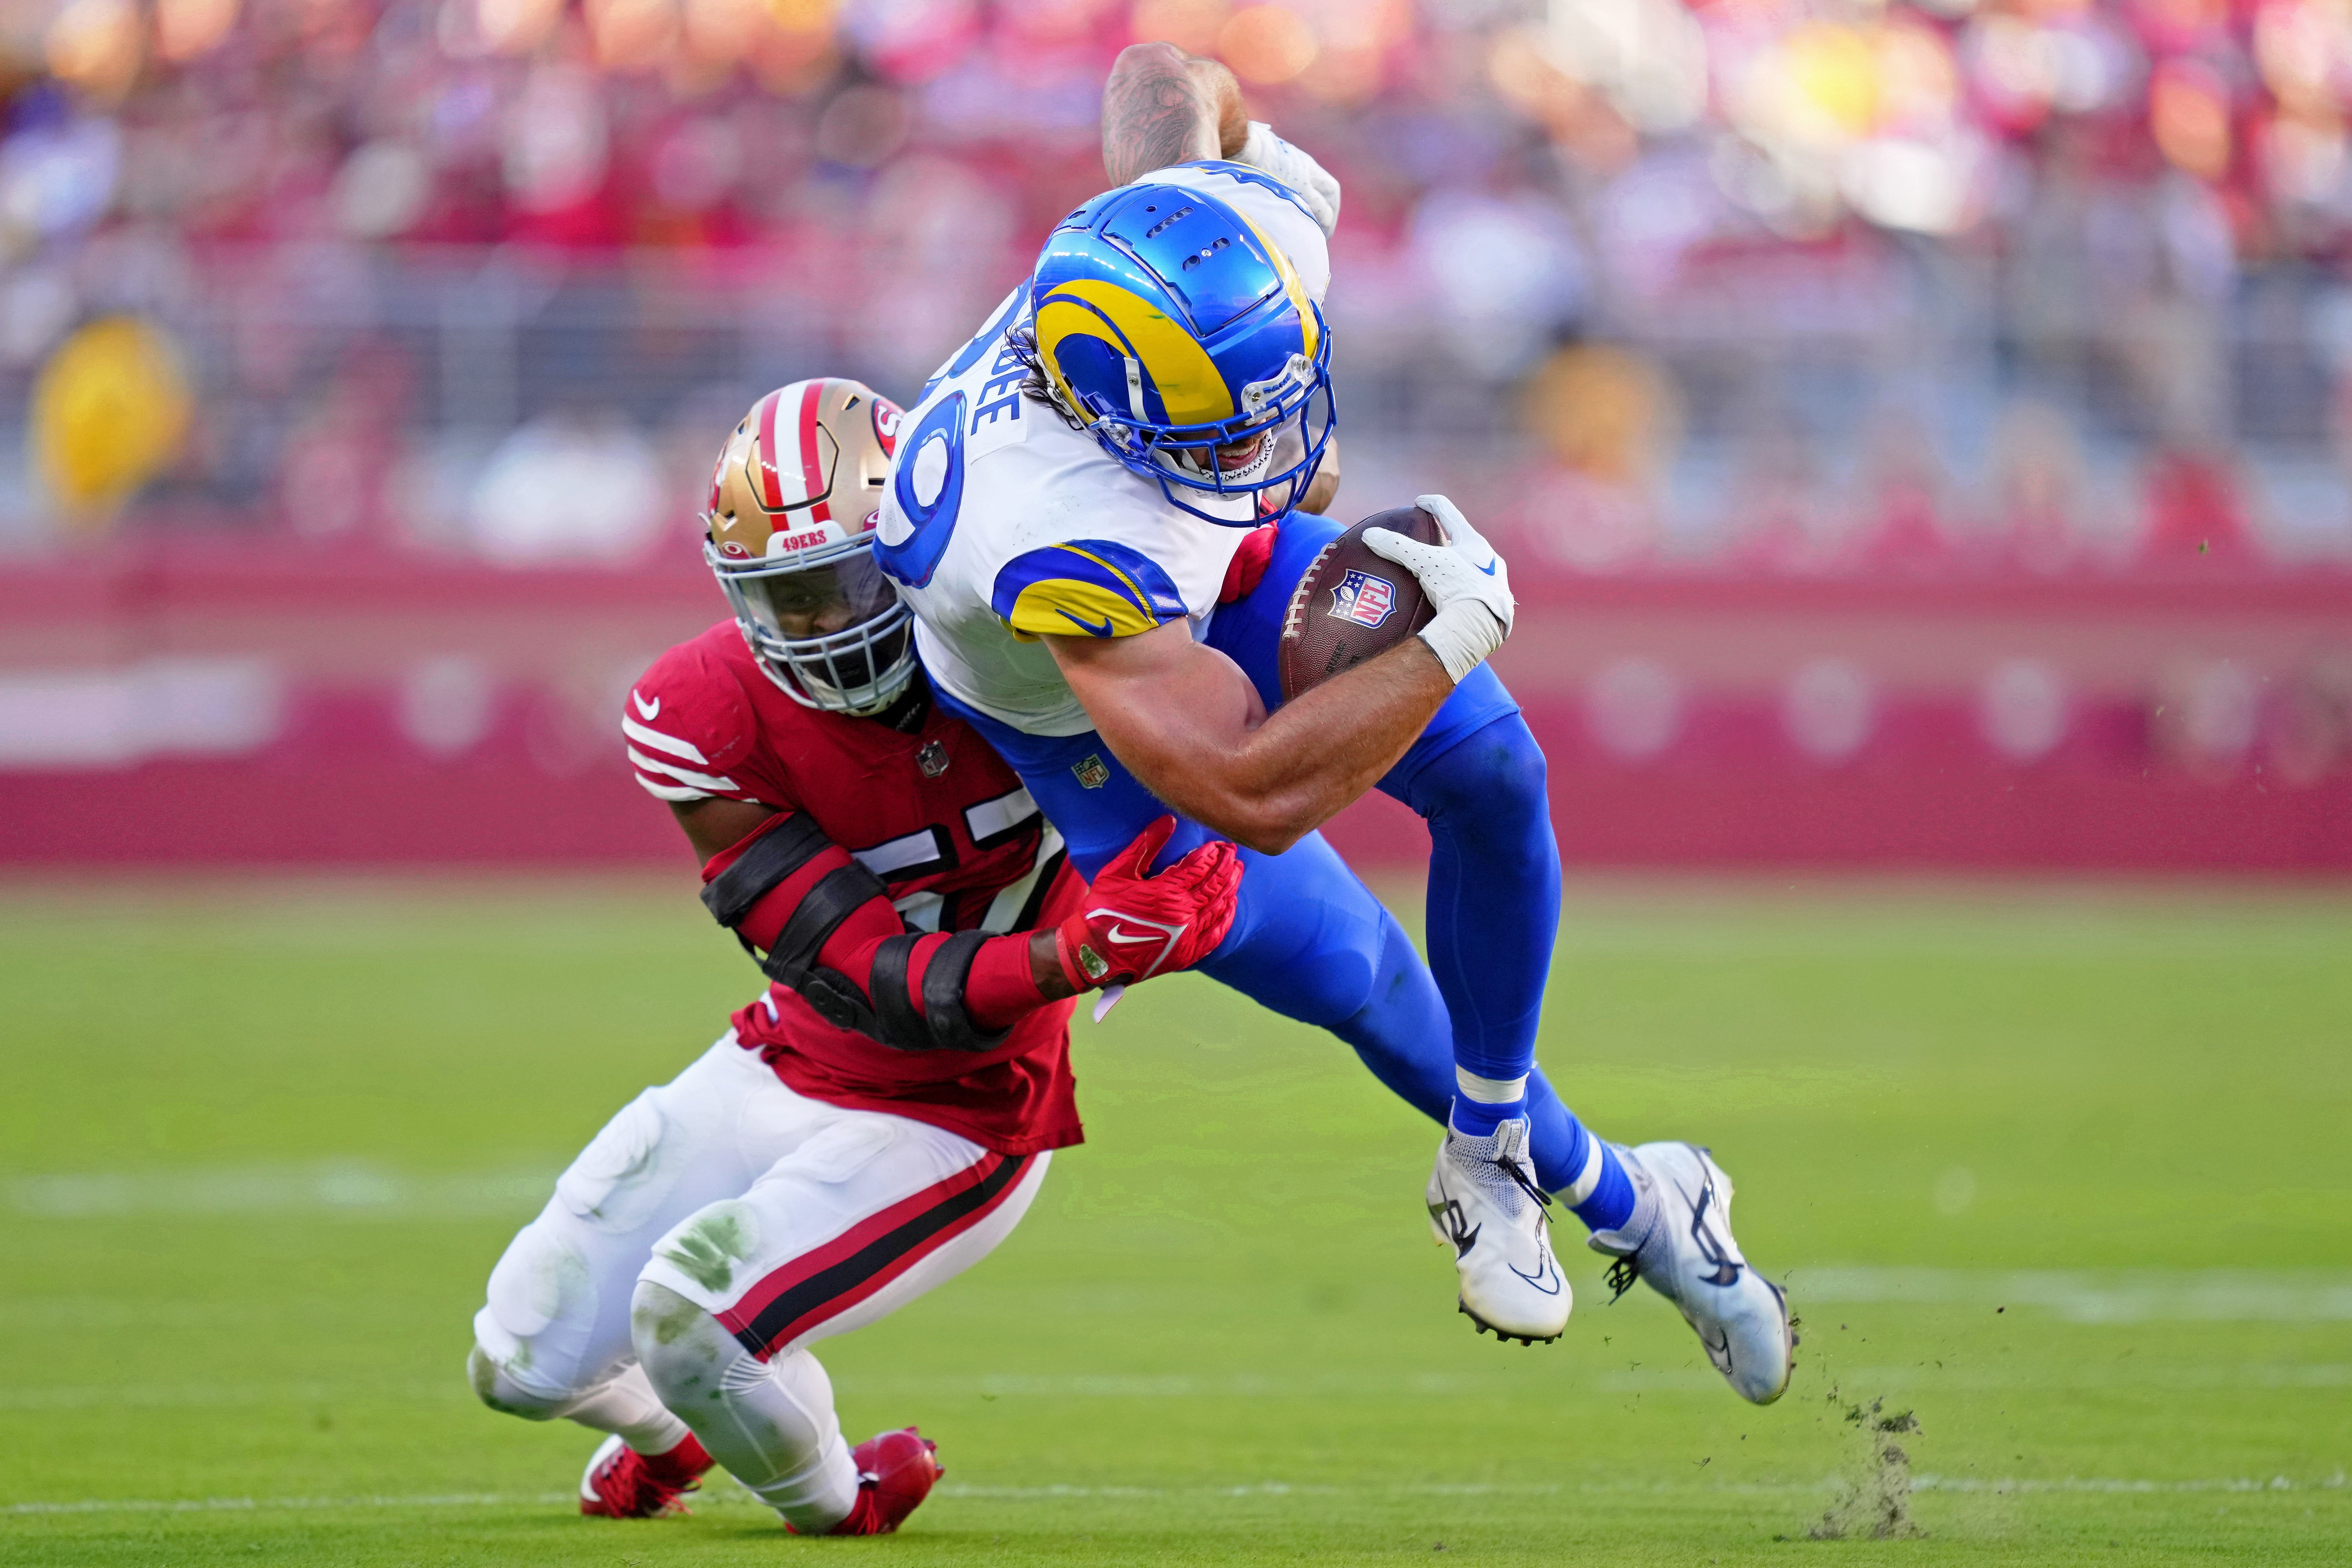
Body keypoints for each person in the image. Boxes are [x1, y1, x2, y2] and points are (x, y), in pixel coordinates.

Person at [879, 43, 1792, 1397]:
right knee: (1356, 966)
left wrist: (1213, 149)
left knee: (1500, 770)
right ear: (1139, 435)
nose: (1277, 447)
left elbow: (1161, 69)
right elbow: (1247, 786)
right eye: (1231, 439)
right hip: (1082, 707)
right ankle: (1639, 1205)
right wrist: (1451, 637)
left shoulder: (1212, 242)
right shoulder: (1056, 536)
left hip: (1202, 568)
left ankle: (1491, 1149)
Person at [467, 378, 1243, 1534]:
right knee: (518, 1356)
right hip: (791, 1058)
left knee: (693, 1316)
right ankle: (680, 1436)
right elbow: (878, 977)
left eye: (838, 588)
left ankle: (846, 1500)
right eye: (784, 600)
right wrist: (1073, 955)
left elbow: (1213, 735)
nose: (822, 629)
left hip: (961, 1118)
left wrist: (1194, 875)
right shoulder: (700, 711)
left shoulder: (1027, 647)